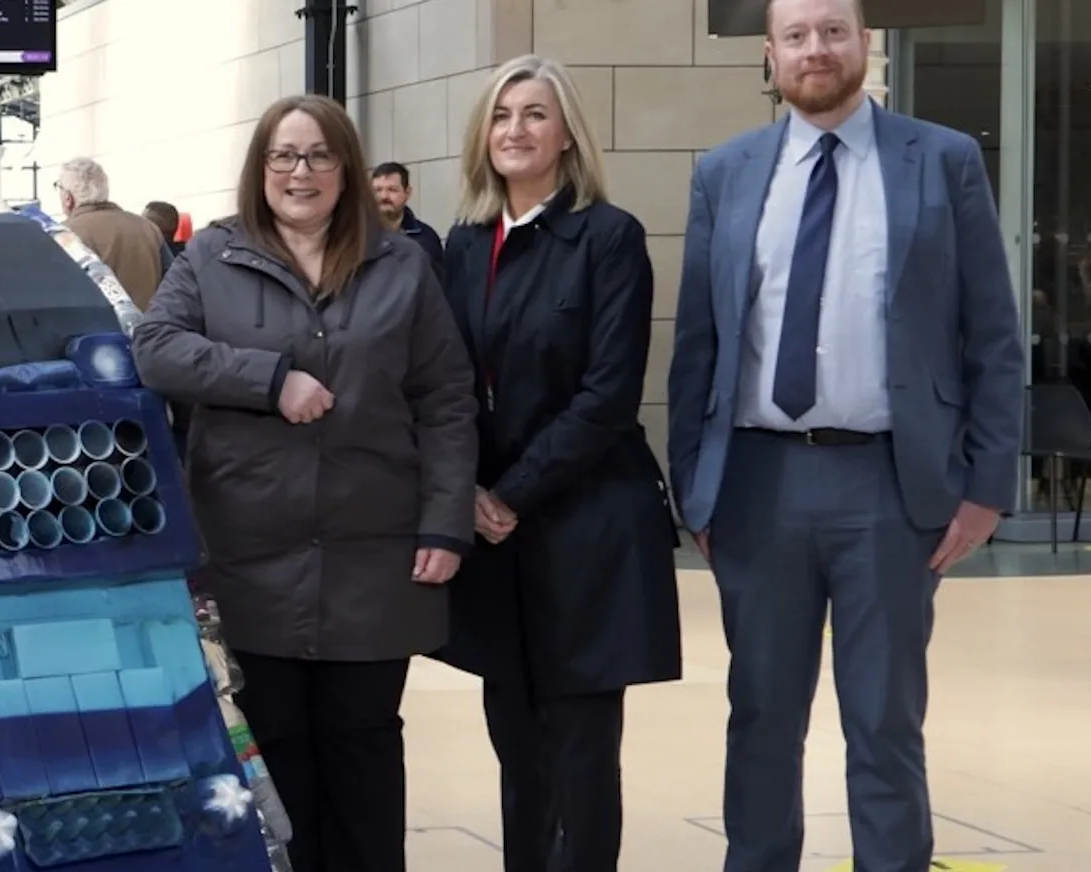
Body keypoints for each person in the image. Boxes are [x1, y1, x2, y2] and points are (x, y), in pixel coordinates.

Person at [666, 1, 1024, 870]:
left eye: (832, 31)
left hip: (890, 486)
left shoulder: (941, 160)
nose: (815, 49)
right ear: (769, 53)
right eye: (795, 36)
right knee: (759, 719)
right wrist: (694, 487)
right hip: (756, 487)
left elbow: (991, 334)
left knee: (884, 724)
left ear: (865, 42)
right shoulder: (724, 172)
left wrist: (985, 487)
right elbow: (696, 345)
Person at [131, 93, 478, 872]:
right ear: (260, 169)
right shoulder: (212, 256)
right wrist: (268, 379)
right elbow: (154, 348)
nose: (301, 171)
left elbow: (445, 398)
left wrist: (445, 520)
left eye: (320, 155)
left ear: (345, 168)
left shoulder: (400, 264)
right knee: (275, 753)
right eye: (283, 155)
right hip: (248, 554)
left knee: (363, 748)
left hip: (374, 554)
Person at [429, 55, 681, 872]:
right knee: (513, 738)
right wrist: (466, 489)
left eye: (534, 114)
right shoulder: (464, 244)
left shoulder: (608, 237)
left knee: (579, 746)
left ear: (567, 134)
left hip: (583, 521)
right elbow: (445, 383)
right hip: (493, 532)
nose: (515, 130)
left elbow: (607, 395)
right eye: (502, 115)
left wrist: (510, 493)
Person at [55, 156, 173, 308]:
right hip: (148, 321)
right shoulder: (148, 228)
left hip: (93, 322)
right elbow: (173, 284)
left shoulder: (63, 235)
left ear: (68, 198)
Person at [371, 162, 446, 274]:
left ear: (408, 193)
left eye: (392, 190)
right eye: (378, 190)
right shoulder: (360, 238)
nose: (384, 196)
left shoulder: (426, 239)